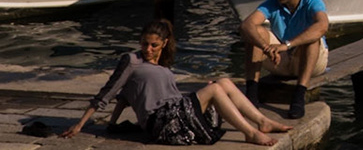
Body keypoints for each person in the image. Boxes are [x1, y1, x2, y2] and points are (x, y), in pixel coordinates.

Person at [64, 19, 291, 145]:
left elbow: (128, 97)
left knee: (223, 81)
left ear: (163, 43)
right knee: (213, 89)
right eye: (144, 44)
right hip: (161, 122)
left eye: (153, 45)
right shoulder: (131, 61)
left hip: (179, 112)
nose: (148, 49)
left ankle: (262, 121)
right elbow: (110, 92)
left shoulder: (162, 66)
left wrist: (113, 124)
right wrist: (80, 124)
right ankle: (249, 133)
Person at [240, 0, 329, 118]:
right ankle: (252, 95)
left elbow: (322, 25)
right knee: (256, 32)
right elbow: (247, 25)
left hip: (311, 61)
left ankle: (299, 95)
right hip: (281, 59)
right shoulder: (273, 2)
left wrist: (287, 45)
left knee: (312, 39)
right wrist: (266, 47)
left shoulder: (312, 1)